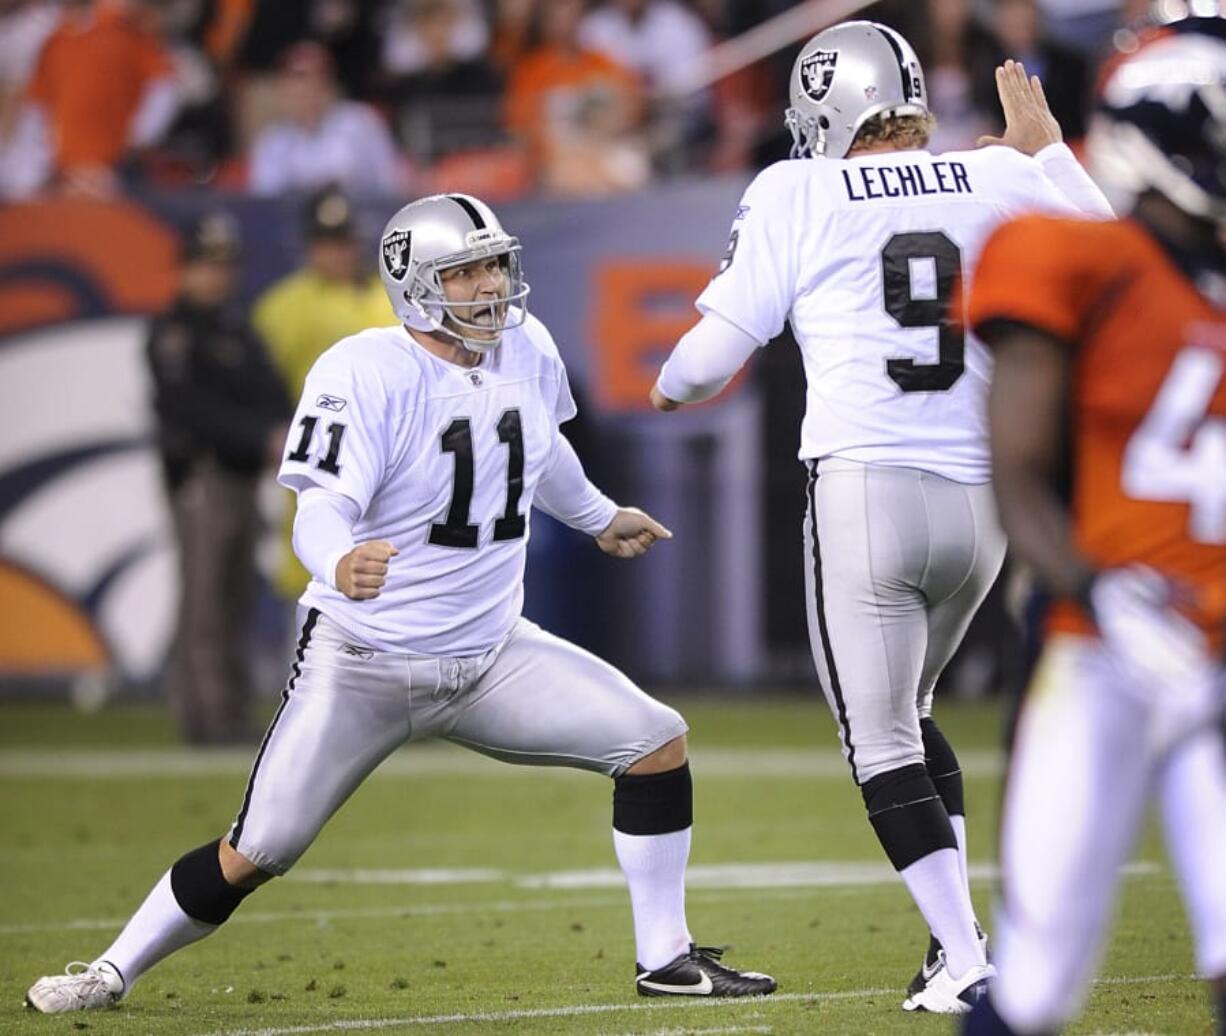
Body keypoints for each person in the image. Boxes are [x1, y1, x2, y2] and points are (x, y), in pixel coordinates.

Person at [24, 192, 778, 1015]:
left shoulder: (525, 345)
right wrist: (338, 559)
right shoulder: (365, 368)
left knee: (655, 742)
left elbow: (541, 443)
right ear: (417, 283)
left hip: (491, 655)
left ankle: (665, 961)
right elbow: (318, 503)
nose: (493, 284)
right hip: (365, 659)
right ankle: (111, 970)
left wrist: (600, 518)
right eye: (467, 271)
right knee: (259, 849)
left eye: (495, 263)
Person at [649, 20, 1113, 1014]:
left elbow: (699, 364)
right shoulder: (995, 177)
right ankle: (956, 950)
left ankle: (964, 956)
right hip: (983, 510)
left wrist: (666, 388)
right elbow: (1125, 253)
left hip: (865, 490)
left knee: (880, 738)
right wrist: (1048, 153)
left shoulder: (795, 187)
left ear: (821, 108)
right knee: (911, 715)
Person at [962, 22, 1226, 1035]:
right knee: (1035, 978)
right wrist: (1103, 590)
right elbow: (1017, 477)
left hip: (1216, 660)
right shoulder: (1067, 257)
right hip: (1100, 655)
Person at [147, 211, 290, 744]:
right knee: (204, 599)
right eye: (207, 265)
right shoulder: (175, 333)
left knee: (235, 598)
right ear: (185, 269)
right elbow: (192, 410)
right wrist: (261, 437)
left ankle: (229, 711)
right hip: (203, 481)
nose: (217, 276)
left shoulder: (237, 329)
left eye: (225, 265)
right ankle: (202, 716)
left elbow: (270, 391)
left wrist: (275, 430)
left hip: (241, 479)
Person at [253, 184, 395, 600]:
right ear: (310, 246)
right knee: (312, 579)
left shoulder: (387, 299)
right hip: (320, 454)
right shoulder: (282, 307)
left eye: (344, 241)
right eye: (327, 242)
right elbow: (259, 386)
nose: (338, 253)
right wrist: (272, 430)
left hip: (387, 457)